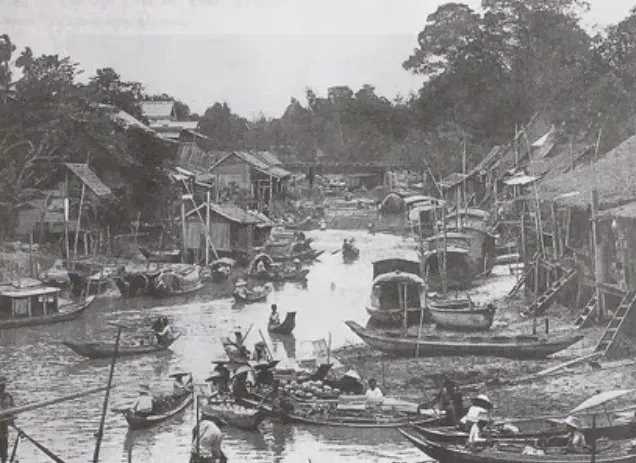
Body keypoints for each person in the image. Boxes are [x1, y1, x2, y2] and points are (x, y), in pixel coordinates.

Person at [0, 377, 14, 463]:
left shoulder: (8, 396)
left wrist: (11, 420)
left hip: (4, 423)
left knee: (4, 448)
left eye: (3, 385)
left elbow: (13, 409)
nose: (1, 388)